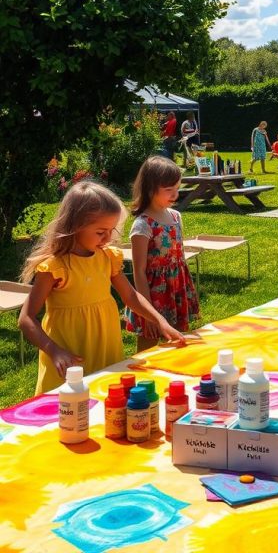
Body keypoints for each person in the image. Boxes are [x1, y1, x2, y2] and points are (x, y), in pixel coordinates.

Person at [18, 180, 185, 394]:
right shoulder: (55, 267)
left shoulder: (107, 258)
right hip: (69, 356)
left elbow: (131, 297)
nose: (108, 237)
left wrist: (160, 321)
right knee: (68, 408)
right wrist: (54, 351)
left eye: (111, 230)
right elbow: (26, 318)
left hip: (105, 346)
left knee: (107, 401)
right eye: (100, 232)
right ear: (76, 226)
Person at [126, 156, 200, 352]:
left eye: (177, 188)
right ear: (150, 189)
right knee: (148, 347)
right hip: (151, 295)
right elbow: (139, 271)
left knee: (177, 342)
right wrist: (148, 313)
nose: (175, 194)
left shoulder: (176, 217)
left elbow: (180, 258)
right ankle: (143, 379)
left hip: (176, 289)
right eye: (169, 190)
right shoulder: (142, 225)